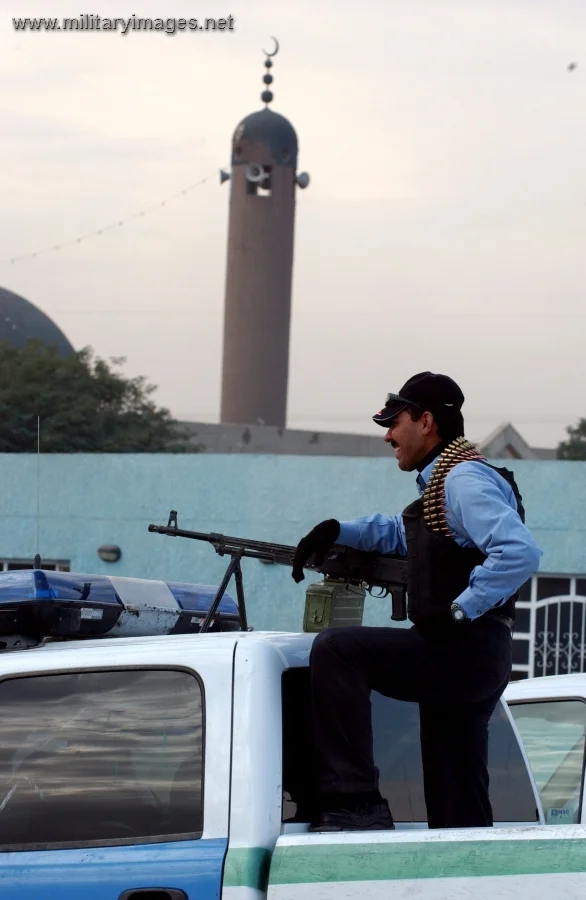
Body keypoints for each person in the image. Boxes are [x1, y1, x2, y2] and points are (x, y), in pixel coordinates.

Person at [291, 372, 542, 833]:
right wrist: (337, 530)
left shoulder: (463, 479)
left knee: (336, 650)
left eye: (395, 422)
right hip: (475, 656)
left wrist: (460, 609)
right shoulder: (446, 480)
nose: (388, 435)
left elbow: (519, 551)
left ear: (426, 421)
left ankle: (354, 801)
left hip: (462, 649)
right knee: (455, 806)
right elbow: (401, 532)